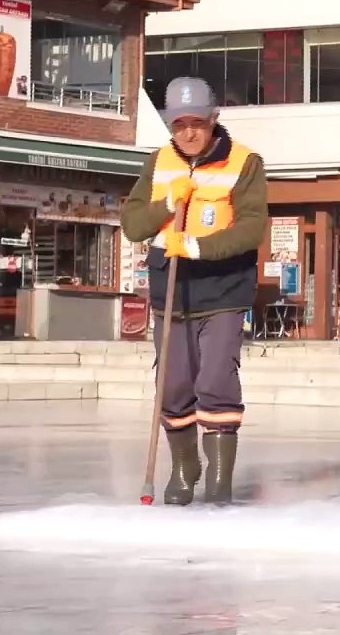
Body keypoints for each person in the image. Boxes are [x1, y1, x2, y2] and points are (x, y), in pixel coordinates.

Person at [120, 77, 267, 506]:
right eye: (178, 124)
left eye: (197, 123)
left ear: (213, 119)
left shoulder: (244, 162)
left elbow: (253, 227)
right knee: (173, 386)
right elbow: (133, 225)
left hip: (223, 290)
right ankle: (185, 467)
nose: (188, 133)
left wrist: (200, 247)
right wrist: (166, 204)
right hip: (172, 292)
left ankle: (220, 479)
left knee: (216, 380)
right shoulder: (158, 163)